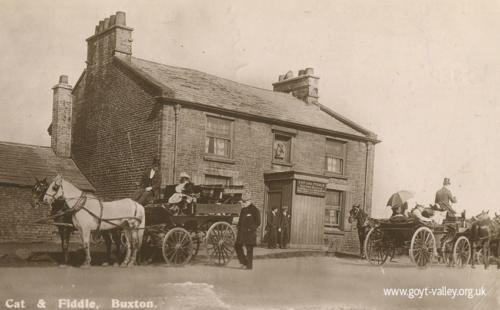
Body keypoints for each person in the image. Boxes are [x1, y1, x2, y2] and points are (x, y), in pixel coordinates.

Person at [235, 195, 261, 270]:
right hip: (241, 233)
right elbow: (240, 221)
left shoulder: (255, 210)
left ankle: (249, 266)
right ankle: (244, 262)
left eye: (245, 202)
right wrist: (238, 227)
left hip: (250, 233)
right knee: (237, 246)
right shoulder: (243, 210)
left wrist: (251, 229)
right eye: (243, 202)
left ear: (250, 201)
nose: (244, 203)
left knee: (249, 250)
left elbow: (258, 222)